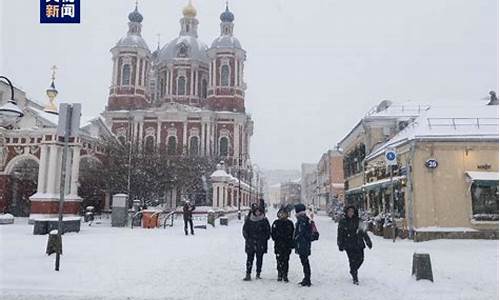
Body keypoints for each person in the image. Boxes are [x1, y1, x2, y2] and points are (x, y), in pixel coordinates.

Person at [337, 205, 373, 285]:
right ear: (346, 212)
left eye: (352, 211)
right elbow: (340, 234)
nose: (351, 213)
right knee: (352, 260)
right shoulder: (343, 221)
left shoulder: (359, 220)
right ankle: (355, 276)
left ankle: (353, 270)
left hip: (359, 243)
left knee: (361, 259)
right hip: (348, 244)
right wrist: (340, 244)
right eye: (349, 211)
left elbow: (364, 232)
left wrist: (368, 241)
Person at [242, 203, 271, 281]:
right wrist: (247, 238)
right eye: (256, 211)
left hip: (260, 243)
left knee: (259, 259)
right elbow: (245, 230)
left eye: (259, 211)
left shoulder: (264, 220)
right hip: (250, 243)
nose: (258, 213)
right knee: (249, 258)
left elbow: (268, 231)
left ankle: (258, 273)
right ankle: (248, 273)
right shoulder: (249, 219)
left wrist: (263, 238)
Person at [271, 207, 294, 282]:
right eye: (281, 213)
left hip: (287, 245)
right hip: (278, 244)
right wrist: (277, 237)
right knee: (279, 260)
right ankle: (279, 273)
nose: (282, 215)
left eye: (284, 214)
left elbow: (292, 233)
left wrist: (290, 242)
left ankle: (285, 274)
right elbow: (273, 233)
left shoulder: (289, 223)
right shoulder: (276, 223)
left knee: (286, 260)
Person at [294, 203, 313, 287]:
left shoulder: (302, 220)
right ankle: (307, 278)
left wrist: (297, 239)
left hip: (303, 244)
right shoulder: (304, 219)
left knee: (305, 262)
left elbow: (301, 233)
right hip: (304, 244)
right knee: (305, 262)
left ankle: (307, 279)